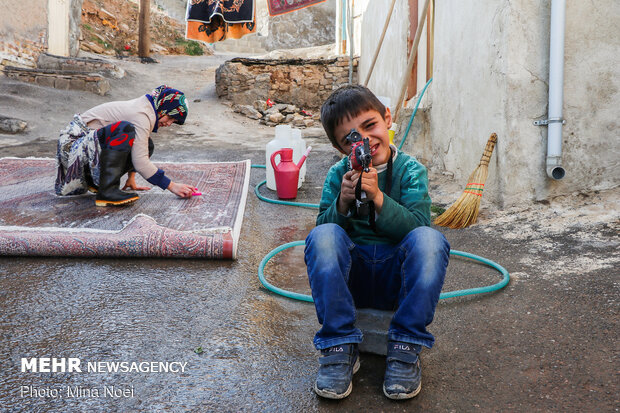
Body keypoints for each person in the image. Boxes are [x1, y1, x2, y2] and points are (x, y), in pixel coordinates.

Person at [305, 85, 450, 400]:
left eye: (370, 126)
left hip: (395, 281)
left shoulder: (411, 172)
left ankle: (405, 345)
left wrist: (379, 198)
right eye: (350, 139)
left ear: (387, 119)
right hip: (351, 281)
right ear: (341, 149)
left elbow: (417, 227)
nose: (364, 141)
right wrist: (342, 204)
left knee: (430, 240)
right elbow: (321, 236)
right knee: (323, 235)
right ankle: (338, 344)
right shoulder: (337, 175)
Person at [55, 85, 197, 206]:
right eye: (170, 117)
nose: (169, 123)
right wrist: (172, 186)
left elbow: (138, 148)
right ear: (163, 108)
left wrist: (131, 178)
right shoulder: (142, 114)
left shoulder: (146, 109)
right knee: (125, 129)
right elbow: (140, 162)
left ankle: (95, 181)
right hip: (71, 148)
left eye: (174, 121)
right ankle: (107, 191)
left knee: (147, 144)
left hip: (84, 149)